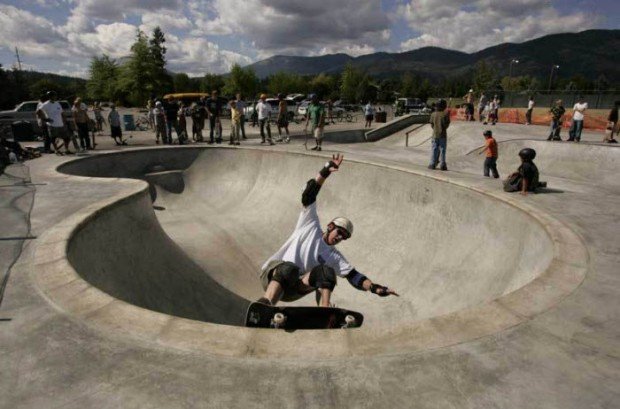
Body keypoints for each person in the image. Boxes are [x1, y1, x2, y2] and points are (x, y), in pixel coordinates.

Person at [258, 154, 399, 307]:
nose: (340, 238)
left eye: (344, 237)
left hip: (294, 290)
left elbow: (353, 276)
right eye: (339, 232)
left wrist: (374, 288)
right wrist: (325, 171)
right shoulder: (309, 225)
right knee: (289, 269)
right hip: (272, 277)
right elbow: (308, 195)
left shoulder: (334, 256)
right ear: (330, 227)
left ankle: (325, 310)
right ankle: (266, 304)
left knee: (327, 272)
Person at [36, 91, 69, 155]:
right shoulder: (46, 104)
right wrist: (45, 119)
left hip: (61, 124)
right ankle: (56, 150)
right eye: (53, 96)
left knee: (67, 138)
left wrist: (65, 120)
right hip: (52, 125)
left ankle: (66, 149)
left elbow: (62, 113)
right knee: (53, 138)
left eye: (55, 96)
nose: (55, 97)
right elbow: (38, 112)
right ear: (50, 97)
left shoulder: (57, 103)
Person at [428, 99, 450, 171]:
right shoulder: (445, 114)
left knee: (434, 149)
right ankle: (442, 164)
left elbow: (431, 124)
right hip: (443, 135)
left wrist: (435, 128)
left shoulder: (433, 114)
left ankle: (432, 163)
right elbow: (446, 125)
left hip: (435, 134)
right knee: (443, 150)